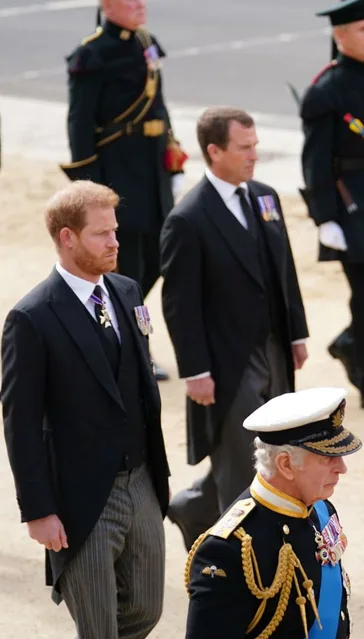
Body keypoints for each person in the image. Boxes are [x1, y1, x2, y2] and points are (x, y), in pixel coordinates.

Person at [1, 180, 170, 639]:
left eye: (115, 231)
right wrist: (39, 510)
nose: (115, 242)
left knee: (144, 609)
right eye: (102, 234)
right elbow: (21, 424)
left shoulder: (126, 291)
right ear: (67, 238)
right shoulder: (31, 318)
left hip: (139, 481)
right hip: (79, 500)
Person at [161, 106, 310, 550]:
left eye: (255, 146)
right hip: (227, 361)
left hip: (273, 348)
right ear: (214, 151)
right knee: (243, 461)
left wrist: (296, 333)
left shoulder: (264, 196)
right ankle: (238, 561)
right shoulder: (188, 218)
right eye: (244, 148)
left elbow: (284, 271)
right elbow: (179, 305)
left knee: (280, 449)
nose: (254, 156)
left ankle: (192, 507)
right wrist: (195, 371)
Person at [181, 386, 364, 639]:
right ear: (286, 464)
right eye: (328, 458)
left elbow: (331, 626)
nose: (342, 468)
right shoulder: (230, 549)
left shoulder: (321, 512)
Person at [60, 0, 189, 381]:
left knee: (157, 260)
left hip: (152, 173)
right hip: (117, 175)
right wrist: (91, 187)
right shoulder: (92, 54)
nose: (140, 5)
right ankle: (131, 350)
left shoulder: (145, 42)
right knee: (124, 266)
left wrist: (173, 158)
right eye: (130, 0)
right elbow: (80, 123)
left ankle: (121, 335)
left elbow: (159, 108)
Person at [299, 0, 364, 418]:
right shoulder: (326, 89)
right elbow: (315, 159)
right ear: (339, 35)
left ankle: (349, 343)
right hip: (350, 200)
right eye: (361, 29)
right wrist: (324, 216)